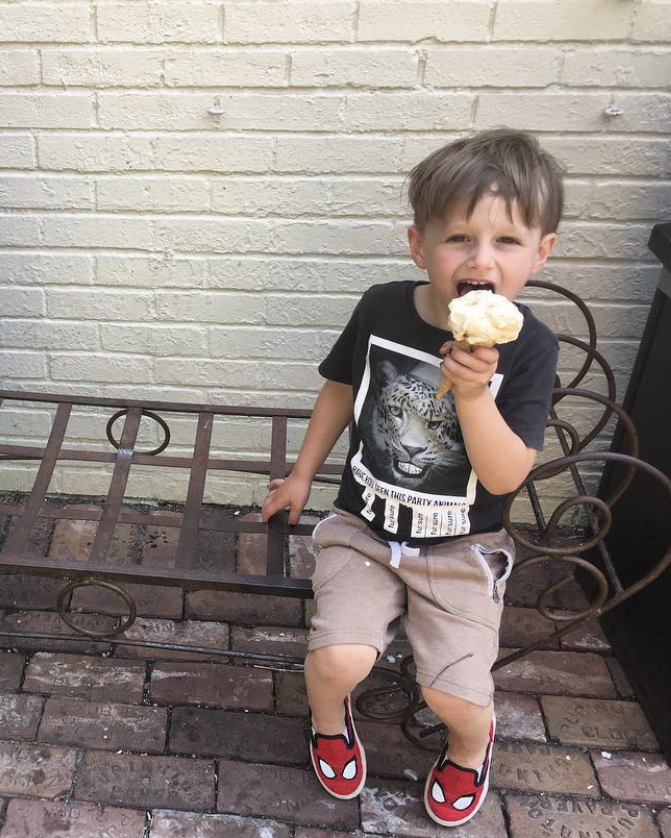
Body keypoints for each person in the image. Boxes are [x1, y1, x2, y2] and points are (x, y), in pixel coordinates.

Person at [262, 129, 563, 827]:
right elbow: (340, 388)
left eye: (506, 242)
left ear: (540, 252)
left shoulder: (528, 347)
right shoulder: (381, 307)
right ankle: (327, 722)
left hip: (461, 546)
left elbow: (506, 470)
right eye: (458, 238)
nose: (480, 260)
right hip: (363, 527)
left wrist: (471, 395)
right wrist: (302, 476)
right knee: (337, 660)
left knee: (454, 695)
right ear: (417, 244)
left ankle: (468, 747)